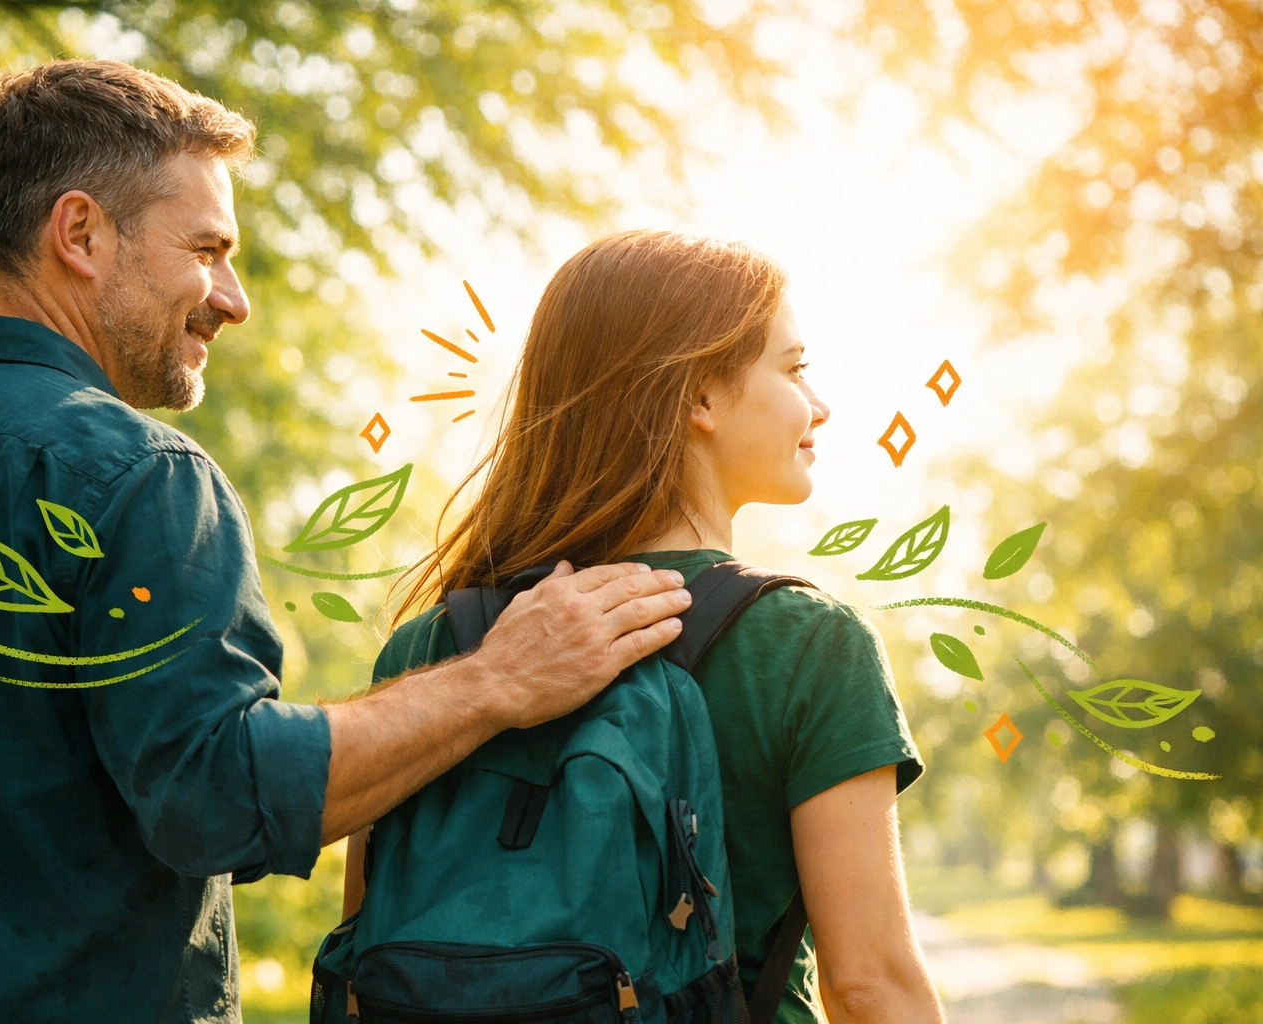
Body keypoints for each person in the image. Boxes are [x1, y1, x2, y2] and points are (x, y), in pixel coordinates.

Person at [0, 62, 693, 1022]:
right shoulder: (140, 478)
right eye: (207, 248)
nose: (233, 299)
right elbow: (217, 795)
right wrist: (497, 680)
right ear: (80, 233)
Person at [345, 231, 945, 1023]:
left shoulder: (431, 648)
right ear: (698, 398)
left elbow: (363, 947)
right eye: (795, 369)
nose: (820, 405)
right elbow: (869, 984)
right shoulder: (806, 645)